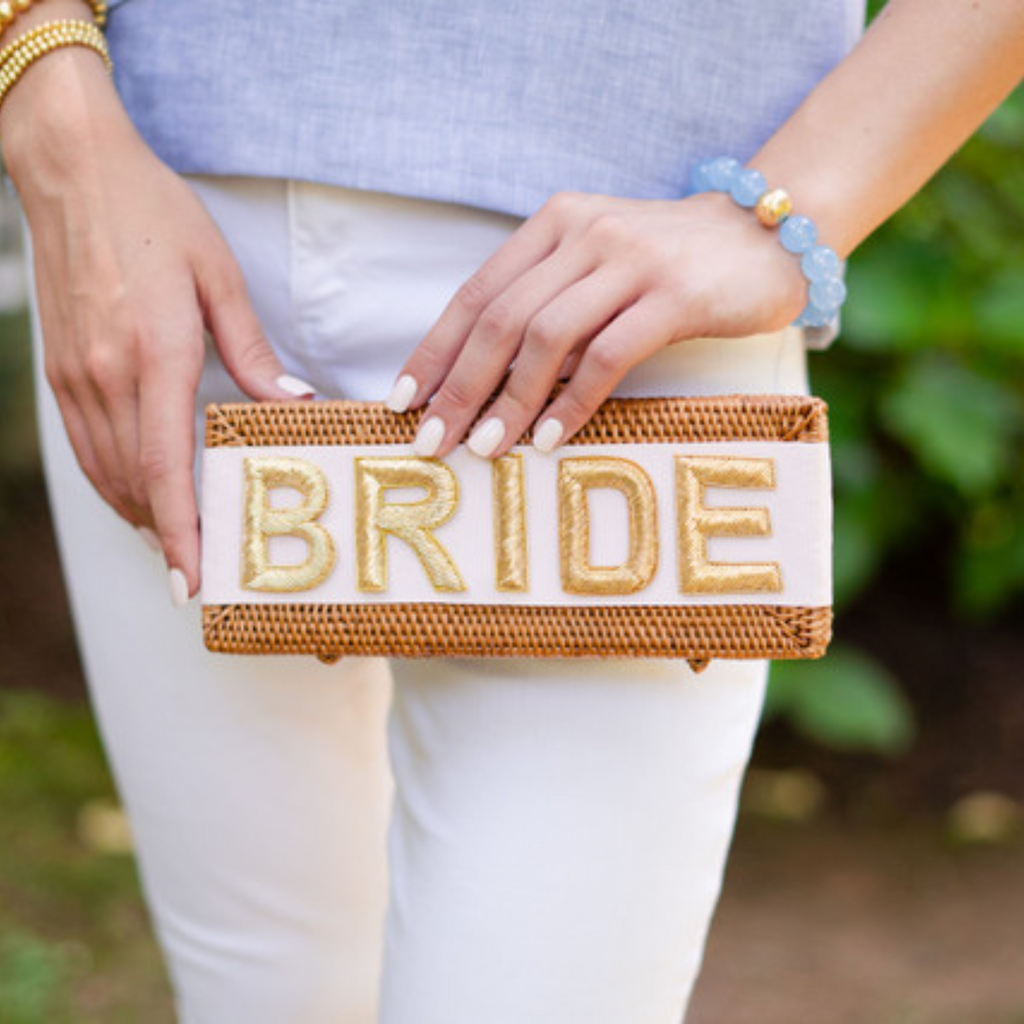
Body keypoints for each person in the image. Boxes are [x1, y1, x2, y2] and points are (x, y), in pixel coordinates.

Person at [3, 1, 1022, 1020]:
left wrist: (790, 210)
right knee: (257, 1000)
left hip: (617, 329)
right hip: (156, 253)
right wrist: (53, 105)